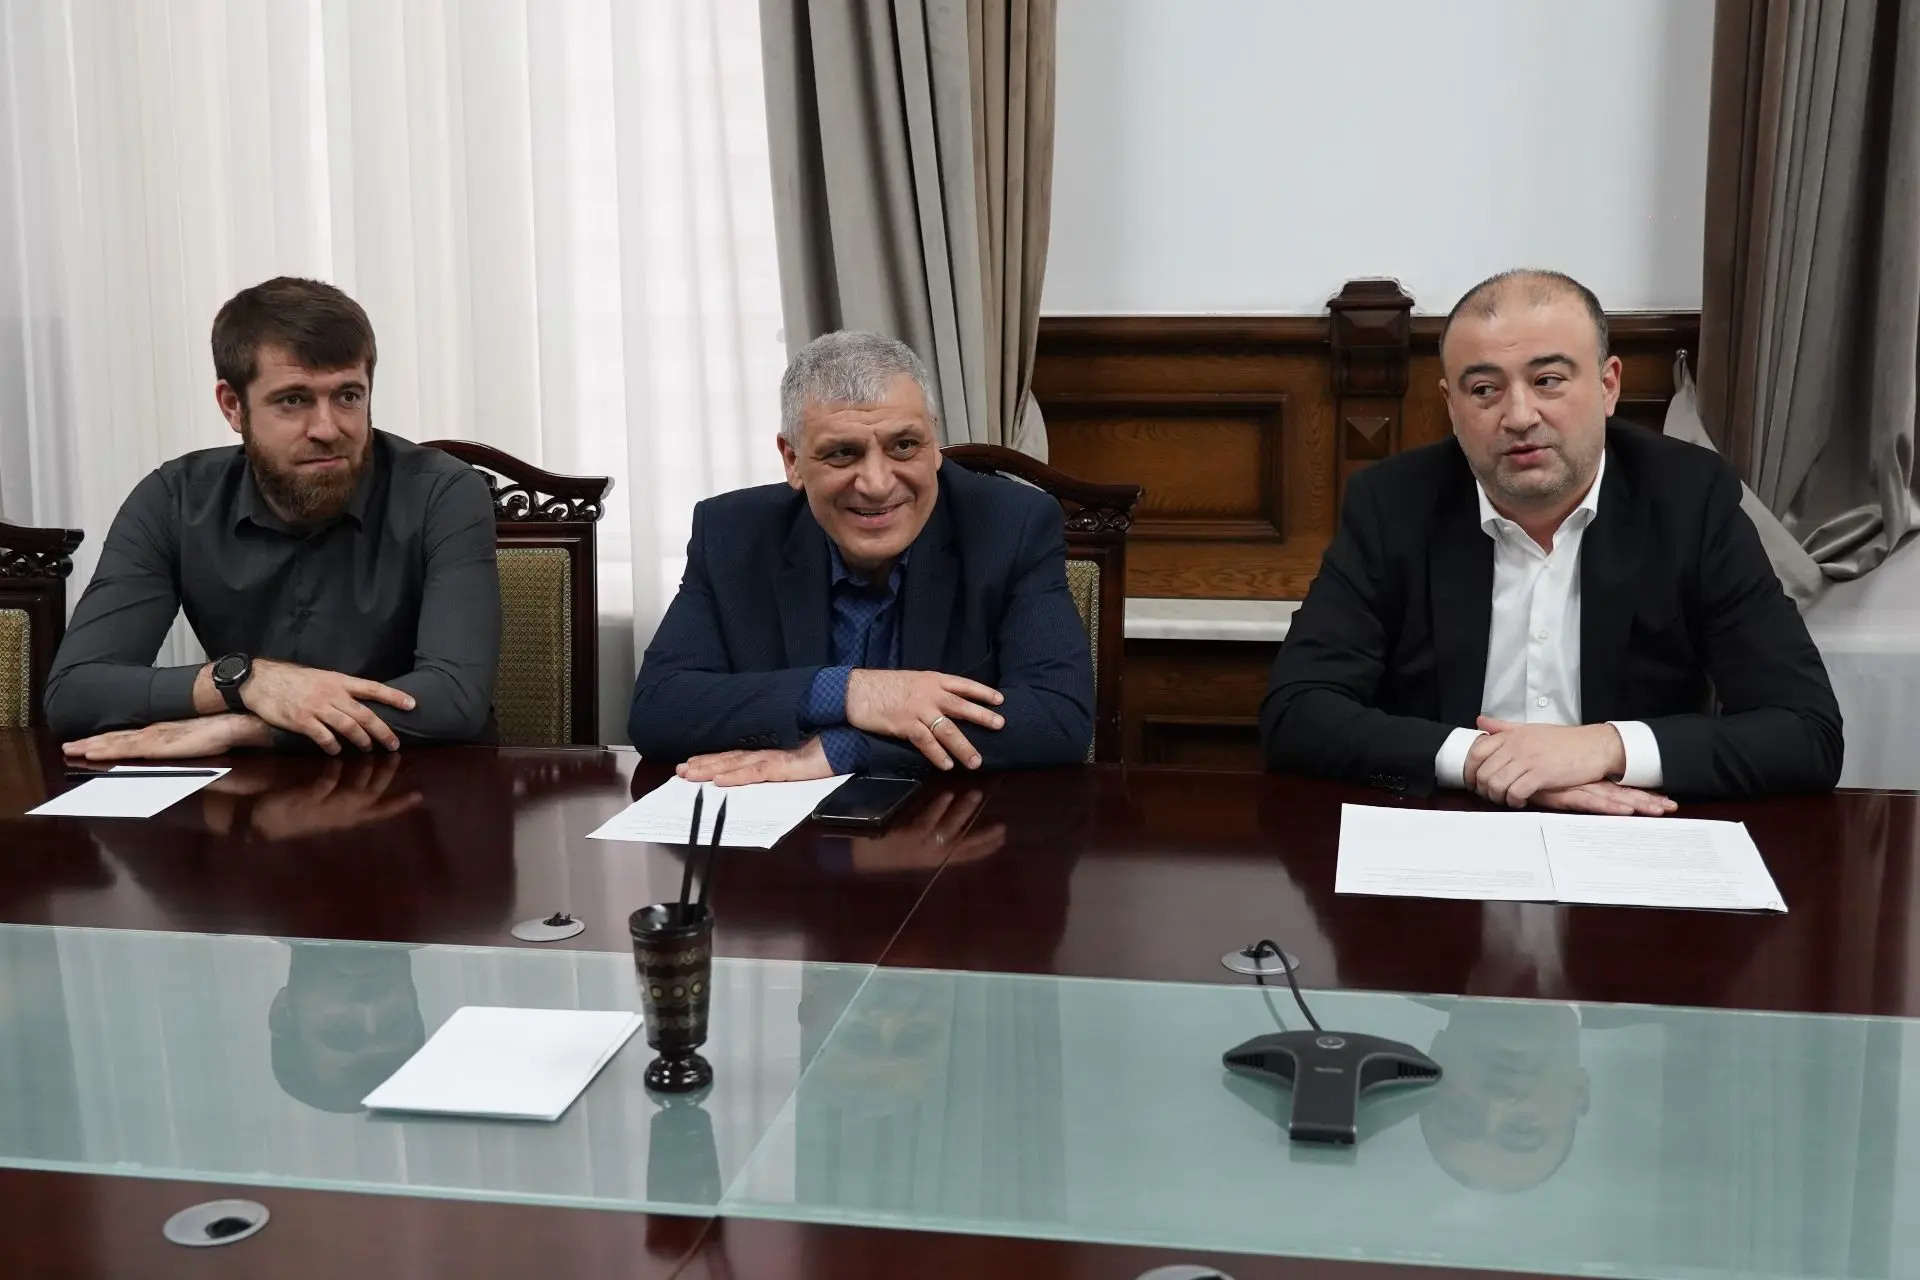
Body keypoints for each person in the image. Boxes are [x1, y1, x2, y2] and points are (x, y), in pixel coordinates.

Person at [1262, 269, 1842, 808]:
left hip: (1631, 827)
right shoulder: (1393, 504)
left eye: (1548, 381)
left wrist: (1604, 748)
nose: (1519, 415)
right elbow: (1297, 712)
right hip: (1450, 826)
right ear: (1451, 407)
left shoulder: (1688, 498)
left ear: (1609, 385)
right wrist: (1489, 765)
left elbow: (1805, 731)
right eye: (1484, 390)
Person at [46, 276, 501, 759]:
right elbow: (75, 693)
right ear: (233, 406)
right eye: (293, 400)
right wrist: (248, 680)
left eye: (348, 396)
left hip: (420, 777)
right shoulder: (174, 500)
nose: (327, 428)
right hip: (247, 795)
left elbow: (454, 697)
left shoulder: (442, 492)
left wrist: (248, 726)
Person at [628, 329, 1093, 782]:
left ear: (933, 443)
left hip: (953, 822)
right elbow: (659, 707)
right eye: (842, 453)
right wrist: (849, 691)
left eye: (904, 446)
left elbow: (1057, 717)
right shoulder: (732, 533)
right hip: (778, 827)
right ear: (792, 460)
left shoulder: (1011, 524)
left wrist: (847, 749)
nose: (877, 484)